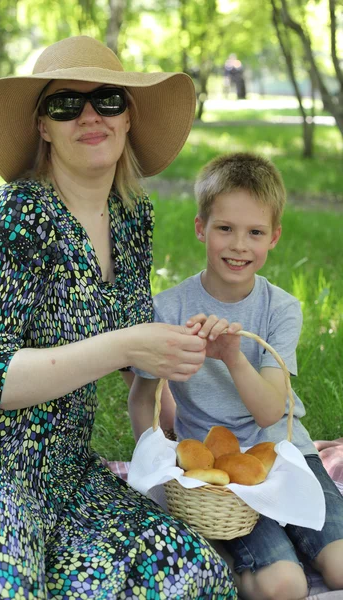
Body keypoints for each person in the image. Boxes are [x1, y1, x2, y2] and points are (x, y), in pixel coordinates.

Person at [0, 36, 237, 599]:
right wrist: (126, 346)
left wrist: (173, 393)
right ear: (43, 127)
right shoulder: (14, 217)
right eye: (63, 105)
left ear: (128, 118)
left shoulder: (131, 216)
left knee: (195, 575)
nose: (88, 116)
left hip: (65, 470)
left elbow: (132, 335)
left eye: (106, 99)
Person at [129, 152, 343, 600]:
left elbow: (270, 409)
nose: (239, 245)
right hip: (221, 473)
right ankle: (226, 561)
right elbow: (144, 399)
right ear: (200, 228)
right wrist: (162, 467)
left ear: (274, 237)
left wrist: (231, 355)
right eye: (225, 228)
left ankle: (293, 544)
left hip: (285, 455)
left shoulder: (280, 309)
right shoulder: (168, 309)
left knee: (341, 568)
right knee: (286, 586)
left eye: (255, 233)